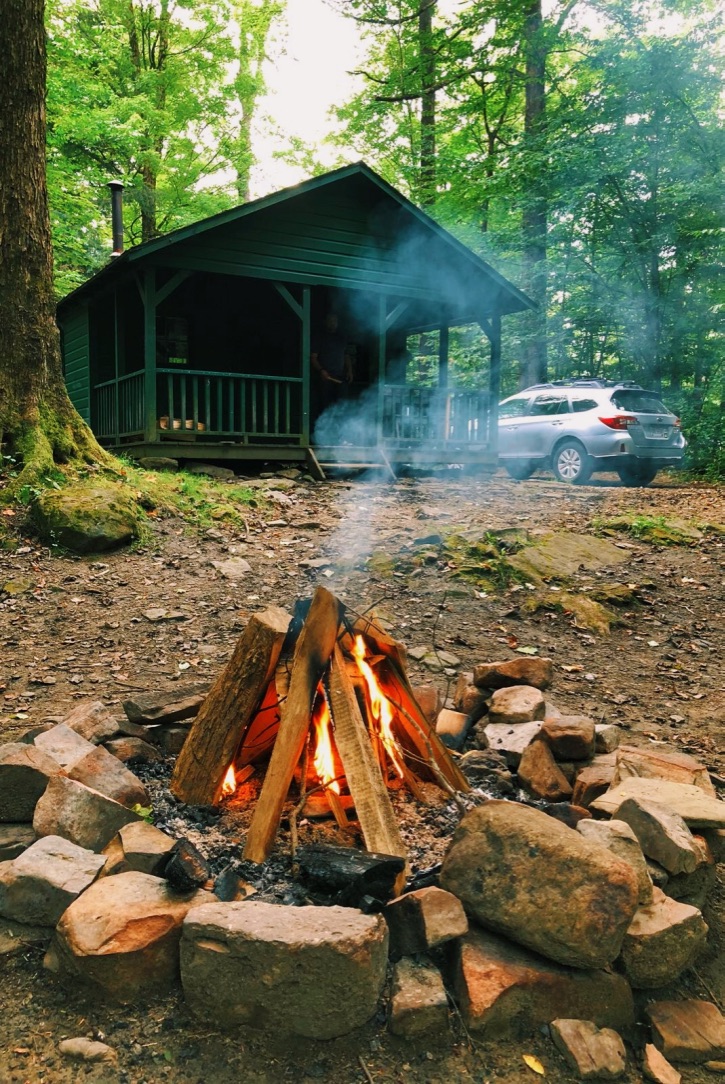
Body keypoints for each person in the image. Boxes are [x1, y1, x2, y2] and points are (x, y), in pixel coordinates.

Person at [310, 313, 354, 417]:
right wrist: (322, 370)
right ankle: (323, 430)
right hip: (325, 378)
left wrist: (350, 371)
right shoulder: (320, 337)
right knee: (325, 406)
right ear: (325, 322)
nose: (333, 323)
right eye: (330, 320)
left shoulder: (342, 337)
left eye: (335, 321)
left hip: (340, 377)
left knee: (342, 405)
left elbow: (346, 356)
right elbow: (313, 358)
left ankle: (339, 430)